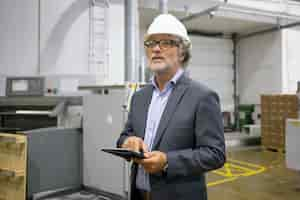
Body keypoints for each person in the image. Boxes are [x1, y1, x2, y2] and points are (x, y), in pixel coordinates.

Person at [117, 14, 226, 200]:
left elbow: (215, 154)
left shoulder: (202, 97)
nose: (156, 49)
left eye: (166, 43)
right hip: (139, 194)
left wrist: (168, 162)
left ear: (182, 52)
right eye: (151, 43)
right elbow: (124, 136)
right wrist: (128, 142)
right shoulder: (139, 98)